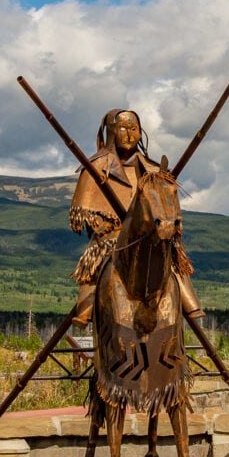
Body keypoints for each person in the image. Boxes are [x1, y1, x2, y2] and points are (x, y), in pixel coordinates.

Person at [69, 109, 202, 327]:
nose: (129, 135)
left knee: (171, 258)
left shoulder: (152, 169)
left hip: (149, 236)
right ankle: (87, 306)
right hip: (112, 238)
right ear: (112, 131)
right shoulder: (97, 167)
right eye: (123, 129)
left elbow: (167, 203)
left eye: (134, 129)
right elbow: (85, 211)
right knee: (97, 262)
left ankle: (190, 303)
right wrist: (103, 223)